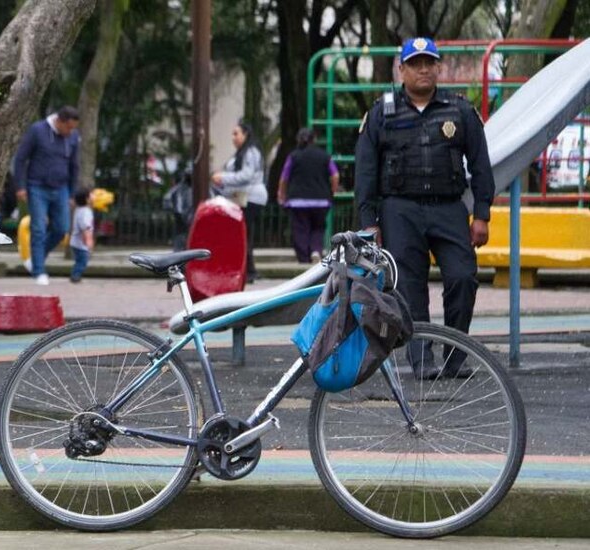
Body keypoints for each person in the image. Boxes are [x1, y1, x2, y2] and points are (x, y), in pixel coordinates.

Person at [354, 37, 495, 380]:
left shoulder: (460, 110)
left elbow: (480, 165)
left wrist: (482, 214)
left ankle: (455, 357)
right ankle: (422, 361)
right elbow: (365, 171)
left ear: (439, 68)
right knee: (409, 286)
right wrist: (369, 221)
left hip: (448, 209)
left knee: (463, 277)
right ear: (401, 70)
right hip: (399, 210)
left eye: (429, 63)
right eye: (415, 63)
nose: (423, 69)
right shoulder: (381, 112)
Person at [13, 106, 81, 285]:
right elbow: (21, 158)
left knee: (61, 228)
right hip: (37, 187)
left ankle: (36, 258)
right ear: (59, 121)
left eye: (74, 128)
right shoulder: (38, 130)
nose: (71, 132)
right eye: (69, 127)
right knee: (38, 228)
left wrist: (72, 193)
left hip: (61, 188)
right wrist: (20, 186)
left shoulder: (72, 137)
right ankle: (38, 271)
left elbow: (75, 165)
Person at [212, 122, 268, 282]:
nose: (233, 138)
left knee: (243, 234)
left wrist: (223, 178)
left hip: (250, 198)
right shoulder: (243, 152)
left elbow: (246, 175)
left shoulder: (250, 152)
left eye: (236, 133)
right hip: (245, 198)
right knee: (244, 233)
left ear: (245, 134)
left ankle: (247, 270)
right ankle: (248, 270)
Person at [277, 127, 340, 263]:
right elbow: (335, 175)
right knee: (318, 227)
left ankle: (304, 257)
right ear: (314, 139)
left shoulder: (293, 156)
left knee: (300, 229)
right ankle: (316, 250)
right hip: (321, 200)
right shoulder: (324, 155)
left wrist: (281, 194)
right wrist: (332, 191)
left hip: (298, 200)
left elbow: (284, 178)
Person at [69, 188, 95, 283]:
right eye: (91, 194)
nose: (94, 196)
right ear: (87, 199)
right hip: (80, 243)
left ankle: (75, 275)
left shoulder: (79, 209)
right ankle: (75, 276)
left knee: (79, 260)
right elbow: (85, 228)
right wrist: (88, 242)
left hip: (76, 242)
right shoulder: (85, 212)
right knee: (82, 261)